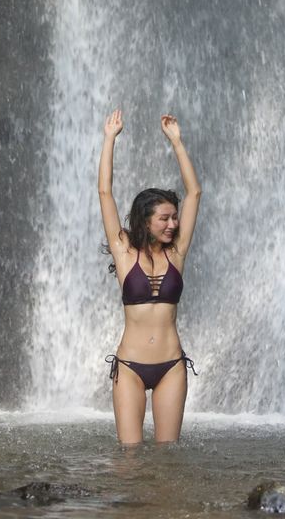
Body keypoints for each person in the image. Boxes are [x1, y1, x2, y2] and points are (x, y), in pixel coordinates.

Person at [98, 108, 202, 444]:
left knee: (168, 456)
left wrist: (177, 142)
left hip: (171, 365)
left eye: (175, 218)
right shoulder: (125, 252)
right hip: (129, 366)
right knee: (129, 458)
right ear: (145, 221)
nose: (173, 224)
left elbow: (195, 193)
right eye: (165, 219)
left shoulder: (177, 253)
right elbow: (105, 193)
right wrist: (109, 139)